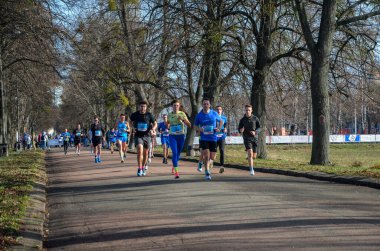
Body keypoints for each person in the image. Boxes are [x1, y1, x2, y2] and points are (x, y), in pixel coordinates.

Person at [194, 98, 223, 180]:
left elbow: (221, 121)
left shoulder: (214, 113)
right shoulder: (199, 115)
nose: (206, 105)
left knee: (212, 157)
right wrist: (200, 129)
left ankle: (202, 163)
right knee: (206, 155)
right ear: (202, 105)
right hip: (204, 138)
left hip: (213, 137)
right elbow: (195, 126)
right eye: (204, 104)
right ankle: (207, 172)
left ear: (209, 105)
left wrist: (218, 128)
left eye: (207, 104)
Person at [130, 101, 157, 176]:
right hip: (138, 135)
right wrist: (132, 128)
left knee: (146, 153)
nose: (142, 108)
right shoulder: (135, 114)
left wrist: (153, 129)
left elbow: (155, 123)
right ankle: (140, 168)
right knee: (139, 150)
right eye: (141, 106)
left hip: (147, 136)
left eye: (144, 106)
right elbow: (130, 121)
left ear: (146, 107)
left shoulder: (149, 115)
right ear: (139, 107)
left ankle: (144, 166)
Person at [166, 100, 191, 179]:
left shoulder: (182, 114)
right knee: (175, 152)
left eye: (177, 105)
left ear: (179, 106)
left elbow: (189, 125)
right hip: (172, 136)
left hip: (181, 136)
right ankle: (176, 172)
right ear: (172, 106)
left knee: (178, 153)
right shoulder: (169, 115)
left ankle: (174, 164)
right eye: (174, 105)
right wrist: (168, 125)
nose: (176, 107)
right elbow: (167, 124)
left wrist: (182, 120)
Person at [238, 104, 261, 176]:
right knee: (250, 153)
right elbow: (239, 129)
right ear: (245, 111)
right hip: (247, 138)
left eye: (249, 110)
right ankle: (251, 169)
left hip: (255, 138)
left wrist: (255, 132)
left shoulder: (255, 118)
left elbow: (260, 128)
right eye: (246, 110)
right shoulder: (242, 120)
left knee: (254, 156)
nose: (247, 111)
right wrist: (241, 130)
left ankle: (249, 156)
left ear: (251, 111)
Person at [215, 105, 227, 173]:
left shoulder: (224, 118)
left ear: (221, 110)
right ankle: (211, 162)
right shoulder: (214, 118)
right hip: (215, 136)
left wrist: (225, 128)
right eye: (217, 109)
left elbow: (225, 125)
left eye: (220, 109)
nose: (218, 110)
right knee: (213, 151)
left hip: (222, 136)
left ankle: (222, 166)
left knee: (222, 150)